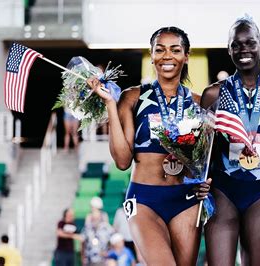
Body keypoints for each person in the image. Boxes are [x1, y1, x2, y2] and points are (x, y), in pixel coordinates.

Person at [87, 26, 211, 265]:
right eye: (160, 50)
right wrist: (111, 106)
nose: (167, 56)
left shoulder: (198, 103)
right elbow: (123, 161)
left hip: (186, 199)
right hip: (144, 199)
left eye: (175, 50)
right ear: (151, 55)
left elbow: (205, 161)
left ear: (186, 56)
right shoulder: (133, 97)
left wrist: (206, 180)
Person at [200, 16, 260, 265]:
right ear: (228, 49)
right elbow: (204, 153)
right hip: (222, 192)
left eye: (250, 43)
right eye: (236, 44)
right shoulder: (213, 94)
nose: (244, 50)